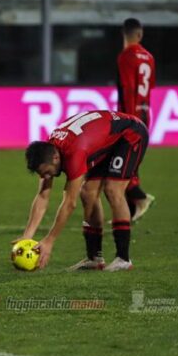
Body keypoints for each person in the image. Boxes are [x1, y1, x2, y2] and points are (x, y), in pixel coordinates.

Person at [16, 110, 149, 271]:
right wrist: (27, 235)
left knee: (113, 190)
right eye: (42, 174)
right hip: (103, 140)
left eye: (47, 172)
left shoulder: (73, 153)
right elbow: (43, 196)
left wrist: (49, 240)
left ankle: (123, 259)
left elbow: (69, 203)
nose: (46, 176)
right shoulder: (49, 151)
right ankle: (95, 258)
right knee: (87, 192)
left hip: (130, 134)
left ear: (56, 158)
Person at [115, 17, 155, 221]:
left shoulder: (126, 57)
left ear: (124, 34)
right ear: (140, 34)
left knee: (119, 164)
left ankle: (139, 199)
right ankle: (131, 210)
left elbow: (127, 88)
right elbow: (148, 91)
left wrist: (127, 119)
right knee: (128, 163)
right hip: (145, 113)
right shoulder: (149, 57)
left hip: (130, 117)